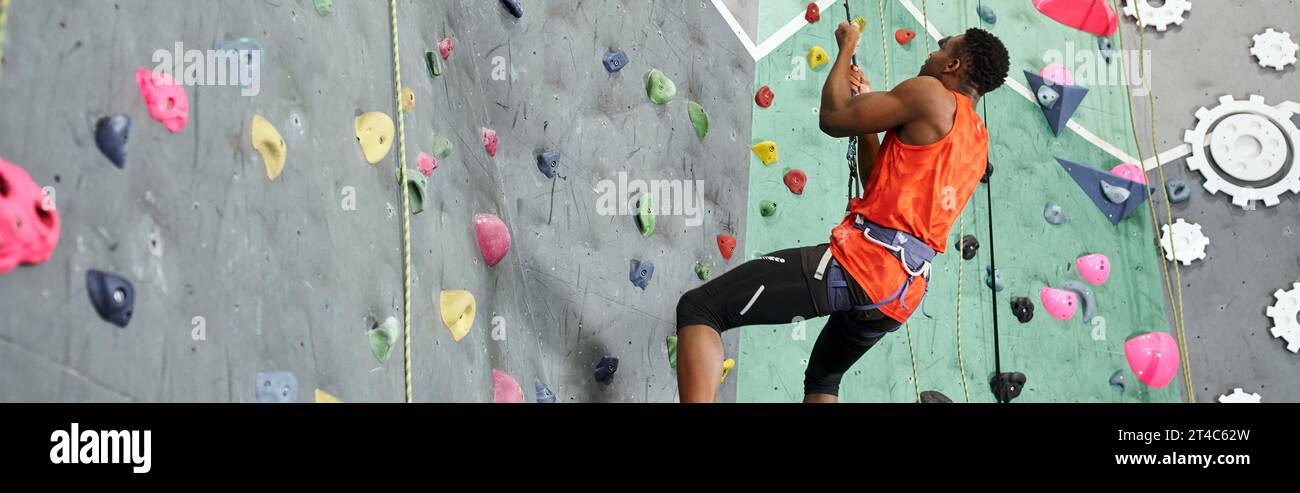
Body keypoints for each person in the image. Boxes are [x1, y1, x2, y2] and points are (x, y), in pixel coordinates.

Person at [674, 22, 1010, 403]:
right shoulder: (976, 141)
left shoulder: (932, 94)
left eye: (941, 48)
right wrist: (869, 120)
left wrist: (846, 48)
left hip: (862, 265)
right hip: (898, 297)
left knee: (701, 308)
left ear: (952, 65)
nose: (930, 54)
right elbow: (880, 188)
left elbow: (833, 116)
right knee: (822, 381)